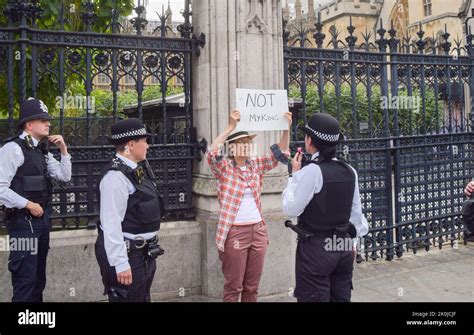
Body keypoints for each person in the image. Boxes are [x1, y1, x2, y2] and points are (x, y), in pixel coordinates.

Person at [207, 109, 292, 302]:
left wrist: (285, 129)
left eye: (248, 143)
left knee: (252, 288)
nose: (246, 146)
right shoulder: (224, 169)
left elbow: (281, 155)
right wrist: (230, 126)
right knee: (233, 287)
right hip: (235, 232)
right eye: (241, 144)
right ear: (232, 148)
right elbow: (212, 152)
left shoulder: (256, 165)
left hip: (258, 231)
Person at [282, 112, 368, 302]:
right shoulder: (349, 171)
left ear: (309, 140)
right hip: (344, 246)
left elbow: (291, 208)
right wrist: (353, 244)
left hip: (317, 249)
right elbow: (356, 216)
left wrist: (294, 177)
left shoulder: (312, 171)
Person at [0, 98, 71, 302]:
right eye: (43, 120)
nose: (48, 123)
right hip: (23, 224)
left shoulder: (41, 150)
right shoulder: (12, 149)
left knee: (39, 280)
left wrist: (64, 150)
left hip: (42, 222)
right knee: (25, 282)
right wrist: (28, 204)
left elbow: (64, 176)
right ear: (29, 124)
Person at [95, 118, 165, 302]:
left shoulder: (135, 170)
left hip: (143, 253)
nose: (148, 146)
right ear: (131, 145)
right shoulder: (115, 177)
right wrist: (120, 262)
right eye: (145, 141)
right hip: (128, 255)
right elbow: (110, 223)